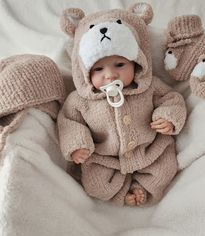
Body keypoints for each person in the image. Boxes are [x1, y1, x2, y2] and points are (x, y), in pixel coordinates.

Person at [58, 2, 187, 206]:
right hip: (104, 158)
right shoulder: (79, 100)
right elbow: (68, 122)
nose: (110, 75)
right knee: (95, 185)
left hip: (149, 151)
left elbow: (172, 98)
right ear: (84, 73)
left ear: (137, 63)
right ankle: (122, 195)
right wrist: (77, 145)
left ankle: (141, 188)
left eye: (120, 65)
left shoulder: (148, 87)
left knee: (165, 169)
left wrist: (167, 117)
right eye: (98, 69)